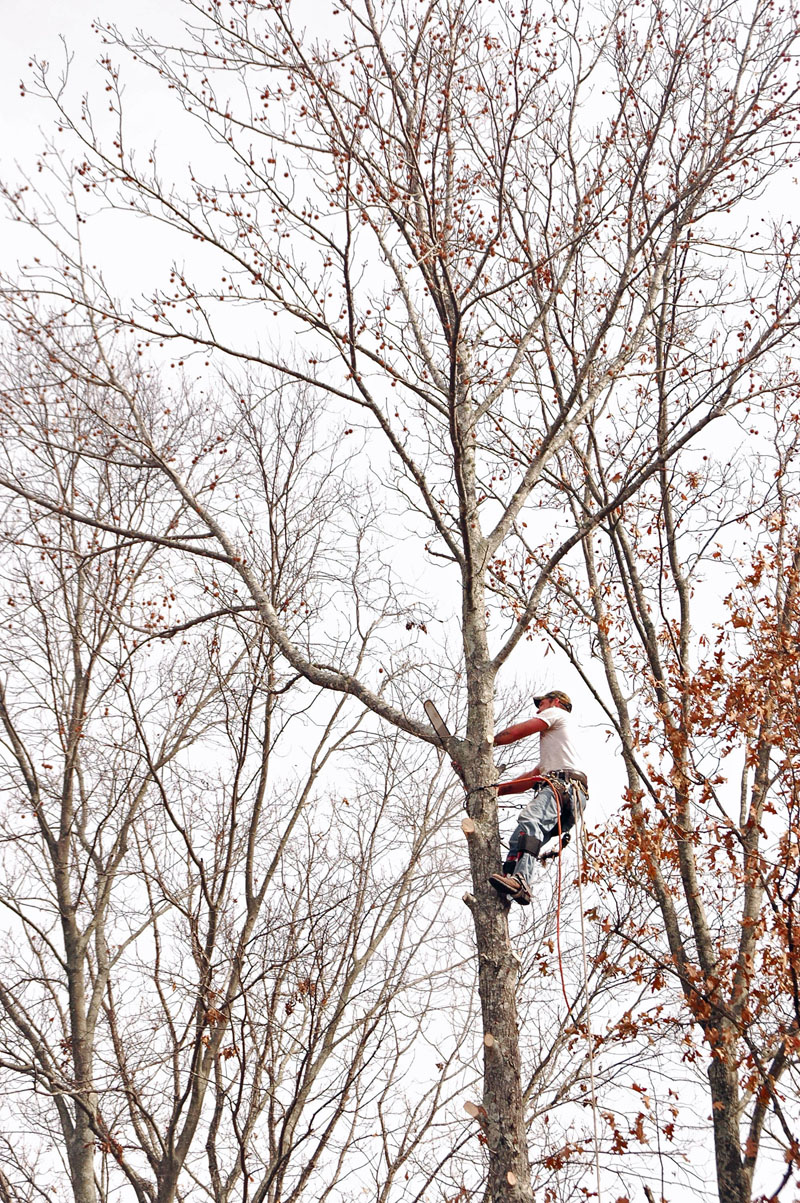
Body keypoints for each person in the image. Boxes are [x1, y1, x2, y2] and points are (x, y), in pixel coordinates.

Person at [488, 690, 588, 906]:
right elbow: (531, 778)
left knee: (531, 821)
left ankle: (521, 879)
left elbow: (519, 731)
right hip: (573, 796)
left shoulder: (557, 714)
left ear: (556, 702)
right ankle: (511, 879)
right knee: (520, 837)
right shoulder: (561, 751)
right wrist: (495, 791)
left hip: (563, 787)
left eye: (541, 704)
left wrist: (488, 742)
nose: (538, 710)